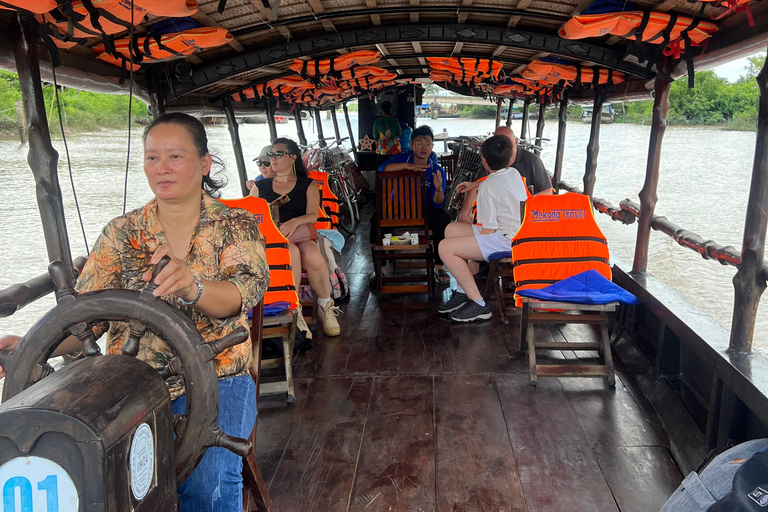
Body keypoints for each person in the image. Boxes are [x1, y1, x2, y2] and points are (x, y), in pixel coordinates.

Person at [0, 113, 269, 512]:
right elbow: (88, 318)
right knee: (101, 482)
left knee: (207, 486)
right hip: (128, 385)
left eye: (175, 156)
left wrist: (192, 287)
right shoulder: (120, 232)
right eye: (151, 158)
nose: (161, 168)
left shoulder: (236, 224)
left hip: (219, 377)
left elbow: (241, 294)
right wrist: (33, 348)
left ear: (204, 162)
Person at [248, 137, 341, 337]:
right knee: (291, 252)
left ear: (292, 158)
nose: (272, 158)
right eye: (271, 154)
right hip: (272, 240)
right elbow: (248, 215)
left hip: (300, 234)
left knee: (313, 255)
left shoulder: (307, 184)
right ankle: (294, 309)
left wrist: (294, 222)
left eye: (278, 154)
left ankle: (325, 307)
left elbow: (313, 215)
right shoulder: (260, 186)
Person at [438, 135, 529, 322]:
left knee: (445, 248)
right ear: (509, 157)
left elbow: (487, 231)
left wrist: (470, 250)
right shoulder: (513, 173)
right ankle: (464, 290)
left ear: (483, 159)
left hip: (505, 240)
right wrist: (475, 184)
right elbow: (494, 178)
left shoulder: (488, 187)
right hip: (517, 234)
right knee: (451, 230)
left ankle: (479, 304)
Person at [372, 125, 452, 285]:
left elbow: (438, 202)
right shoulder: (402, 158)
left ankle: (438, 266)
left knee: (443, 218)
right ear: (411, 145)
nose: (424, 147)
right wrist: (407, 167)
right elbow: (383, 168)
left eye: (428, 143)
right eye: (419, 143)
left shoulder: (437, 170)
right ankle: (379, 269)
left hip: (424, 209)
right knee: (375, 220)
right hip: (397, 208)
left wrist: (438, 189)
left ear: (432, 146)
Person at [456, 125, 552, 225]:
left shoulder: (532, 161)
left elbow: (548, 191)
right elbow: (485, 183)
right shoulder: (509, 171)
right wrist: (473, 186)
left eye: (506, 143)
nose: (501, 147)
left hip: (524, 215)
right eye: (497, 143)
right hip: (498, 212)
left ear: (516, 142)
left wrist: (524, 202)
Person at [372, 101, 402, 166]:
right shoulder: (394, 120)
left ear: (381, 110)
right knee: (395, 168)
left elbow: (375, 136)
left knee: (382, 168)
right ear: (391, 109)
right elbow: (399, 133)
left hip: (382, 150)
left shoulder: (377, 121)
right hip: (394, 149)